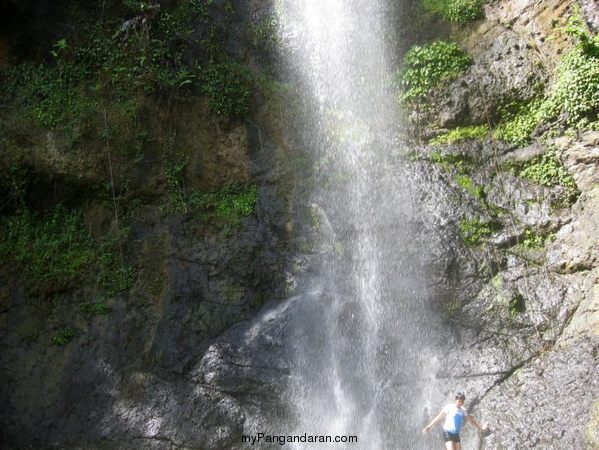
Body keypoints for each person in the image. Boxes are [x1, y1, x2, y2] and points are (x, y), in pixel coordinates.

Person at [422, 392, 488, 450]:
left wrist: (480, 428)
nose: (460, 403)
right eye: (459, 401)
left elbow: (470, 420)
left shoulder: (463, 410)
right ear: (455, 400)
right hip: (448, 433)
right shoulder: (449, 407)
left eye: (462, 402)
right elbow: (439, 417)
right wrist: (429, 426)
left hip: (456, 434)